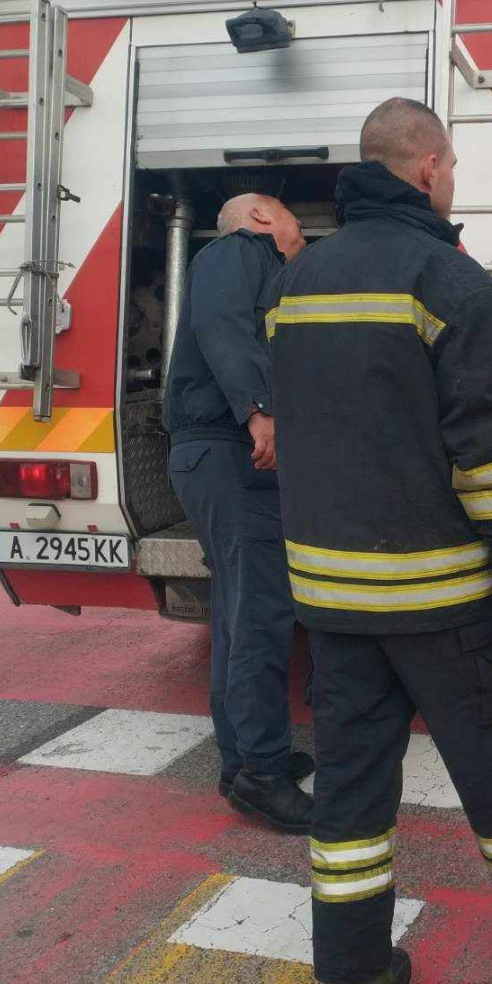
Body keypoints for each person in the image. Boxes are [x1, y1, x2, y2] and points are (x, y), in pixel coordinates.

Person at [269, 97, 492, 984]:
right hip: (444, 601)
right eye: (454, 167)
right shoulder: (451, 281)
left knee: (351, 789)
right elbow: (489, 459)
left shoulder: (297, 280)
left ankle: (353, 967)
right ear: (428, 166)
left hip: (331, 600)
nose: (453, 181)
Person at [164, 192, 316, 833]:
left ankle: (242, 761)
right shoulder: (237, 251)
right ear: (259, 217)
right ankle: (261, 773)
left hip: (218, 458)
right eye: (293, 216)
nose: (302, 230)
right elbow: (222, 325)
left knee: (238, 612)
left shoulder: (259, 265)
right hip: (230, 454)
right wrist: (259, 410)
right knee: (259, 616)